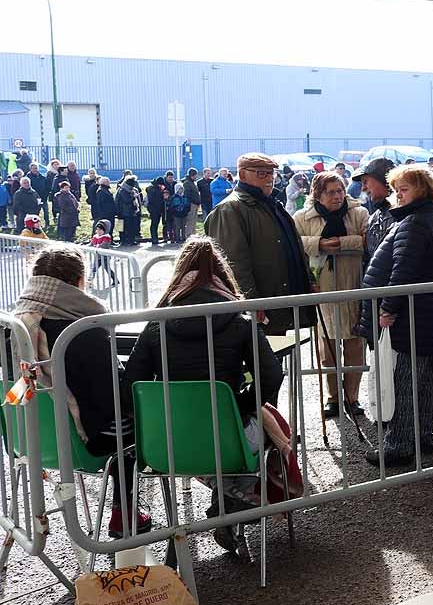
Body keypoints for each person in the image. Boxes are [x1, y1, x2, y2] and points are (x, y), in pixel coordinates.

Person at [124, 238, 293, 548]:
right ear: (222, 276)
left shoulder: (155, 324)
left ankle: (231, 497)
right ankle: (235, 500)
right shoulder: (239, 319)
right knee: (271, 430)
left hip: (165, 445)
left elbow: (132, 385)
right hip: (227, 437)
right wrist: (240, 405)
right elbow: (272, 375)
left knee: (214, 446)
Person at [14, 245, 147, 537]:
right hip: (85, 439)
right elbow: (111, 397)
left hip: (30, 437)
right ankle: (124, 511)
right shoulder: (83, 330)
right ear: (77, 282)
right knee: (137, 425)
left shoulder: (15, 328)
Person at [358, 165, 433, 466]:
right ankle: (422, 435)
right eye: (396, 189)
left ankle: (399, 444)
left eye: (404, 189)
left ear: (421, 190)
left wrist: (387, 307)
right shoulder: (426, 218)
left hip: (409, 314)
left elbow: (403, 273)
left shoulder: (414, 223)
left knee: (406, 380)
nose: (398, 194)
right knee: (419, 378)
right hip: (420, 311)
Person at [205, 153, 315, 335]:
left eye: (272, 173)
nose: (270, 178)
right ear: (242, 174)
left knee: (276, 357)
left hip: (278, 301)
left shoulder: (270, 205)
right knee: (258, 360)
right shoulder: (230, 210)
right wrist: (250, 302)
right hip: (256, 309)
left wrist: (308, 279)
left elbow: (293, 246)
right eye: (261, 173)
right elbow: (233, 264)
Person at [294, 172, 369, 419]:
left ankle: (353, 397)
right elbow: (295, 243)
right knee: (327, 349)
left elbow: (369, 240)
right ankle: (333, 398)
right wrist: (319, 244)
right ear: (317, 194)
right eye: (331, 192)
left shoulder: (358, 213)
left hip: (353, 286)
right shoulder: (303, 217)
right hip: (322, 289)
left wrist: (342, 242)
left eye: (340, 191)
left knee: (354, 345)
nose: (337, 196)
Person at [114, 176, 143, 247]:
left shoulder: (121, 189)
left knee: (123, 227)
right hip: (125, 212)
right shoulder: (123, 190)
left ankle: (126, 240)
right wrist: (134, 196)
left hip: (123, 212)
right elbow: (127, 200)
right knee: (126, 227)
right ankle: (126, 241)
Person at [88, 219, 119, 285]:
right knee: (93, 269)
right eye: (97, 229)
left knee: (107, 269)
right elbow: (91, 243)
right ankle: (89, 282)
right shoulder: (95, 237)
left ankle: (115, 280)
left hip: (105, 256)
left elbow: (104, 245)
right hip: (97, 256)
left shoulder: (106, 237)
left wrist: (96, 247)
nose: (98, 231)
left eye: (100, 230)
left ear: (105, 230)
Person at [181, 168, 202, 237]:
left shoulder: (192, 182)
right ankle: (189, 235)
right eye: (195, 175)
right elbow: (188, 195)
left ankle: (193, 234)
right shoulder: (187, 183)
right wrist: (194, 201)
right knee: (190, 221)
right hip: (191, 204)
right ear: (192, 175)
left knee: (194, 221)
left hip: (195, 204)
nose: (196, 177)